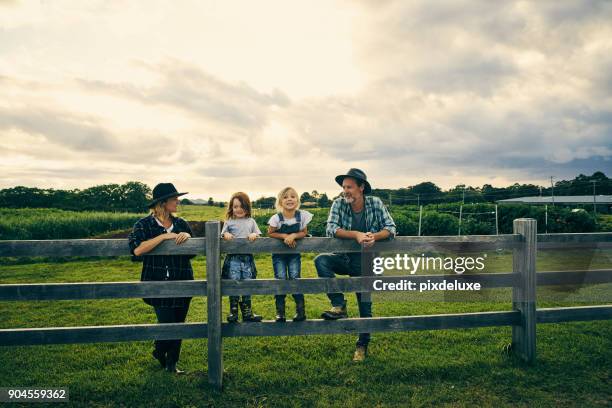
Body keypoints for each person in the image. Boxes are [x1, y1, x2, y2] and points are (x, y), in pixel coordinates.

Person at [314, 168, 396, 362]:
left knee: (365, 307)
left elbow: (391, 229)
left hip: (367, 261)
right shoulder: (339, 204)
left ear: (361, 188)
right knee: (321, 260)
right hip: (344, 258)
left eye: (349, 187)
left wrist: (373, 237)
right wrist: (356, 235)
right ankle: (339, 304)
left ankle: (362, 344)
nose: (345, 191)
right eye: (344, 187)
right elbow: (331, 229)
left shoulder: (375, 203)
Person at [128, 183, 194, 374]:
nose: (178, 202)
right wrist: (164, 238)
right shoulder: (143, 224)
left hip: (182, 281)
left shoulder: (181, 223)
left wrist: (186, 235)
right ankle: (159, 350)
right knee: (167, 324)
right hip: (156, 284)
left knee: (179, 325)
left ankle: (172, 364)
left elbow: (192, 251)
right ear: (163, 203)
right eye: (174, 199)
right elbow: (138, 250)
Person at [267, 187, 313, 322]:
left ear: (297, 200)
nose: (289, 199)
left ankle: (300, 311)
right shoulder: (276, 218)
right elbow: (270, 233)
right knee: (280, 278)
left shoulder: (301, 216)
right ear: (280, 201)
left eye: (293, 196)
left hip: (294, 254)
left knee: (295, 278)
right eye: (286, 197)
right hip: (279, 255)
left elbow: (304, 232)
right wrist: (284, 236)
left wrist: (294, 235)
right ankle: (280, 312)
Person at [221, 192, 263, 323]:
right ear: (231, 208)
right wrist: (226, 234)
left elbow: (258, 234)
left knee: (247, 283)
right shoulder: (229, 222)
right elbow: (223, 235)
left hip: (247, 259)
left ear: (247, 207)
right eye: (235, 207)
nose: (238, 209)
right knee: (233, 284)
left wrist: (254, 235)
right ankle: (233, 312)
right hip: (233, 259)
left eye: (241, 206)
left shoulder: (251, 221)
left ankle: (247, 313)